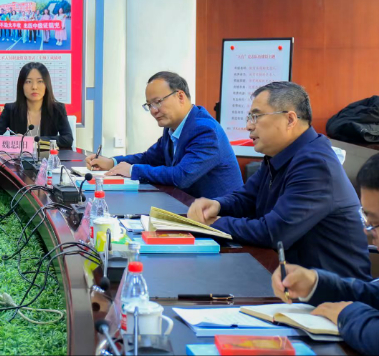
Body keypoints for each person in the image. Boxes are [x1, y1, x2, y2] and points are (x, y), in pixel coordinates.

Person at [187, 81, 370, 280]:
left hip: (329, 288)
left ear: (290, 119)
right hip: (288, 274)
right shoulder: (281, 154)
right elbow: (247, 197)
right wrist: (217, 205)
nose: (248, 126)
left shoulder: (315, 165)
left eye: (256, 116)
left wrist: (216, 224)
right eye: (249, 117)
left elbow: (274, 233)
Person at [270, 153, 379, 355]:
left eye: (376, 223)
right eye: (369, 221)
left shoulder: (315, 163)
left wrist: (348, 314)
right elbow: (373, 294)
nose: (369, 232)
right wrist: (315, 284)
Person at [87, 71, 242, 199]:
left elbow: (182, 176)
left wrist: (133, 170)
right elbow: (149, 158)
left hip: (219, 218)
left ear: (180, 96)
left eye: (158, 102)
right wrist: (112, 162)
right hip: (188, 207)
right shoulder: (173, 128)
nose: (153, 110)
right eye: (149, 105)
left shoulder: (205, 130)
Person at [0, 62, 73, 149]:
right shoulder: (11, 109)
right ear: (21, 85)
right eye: (28, 81)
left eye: (40, 81)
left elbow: (67, 139)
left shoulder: (57, 109)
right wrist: (13, 140)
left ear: (46, 85)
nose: (34, 87)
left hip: (46, 156)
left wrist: (33, 140)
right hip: (19, 157)